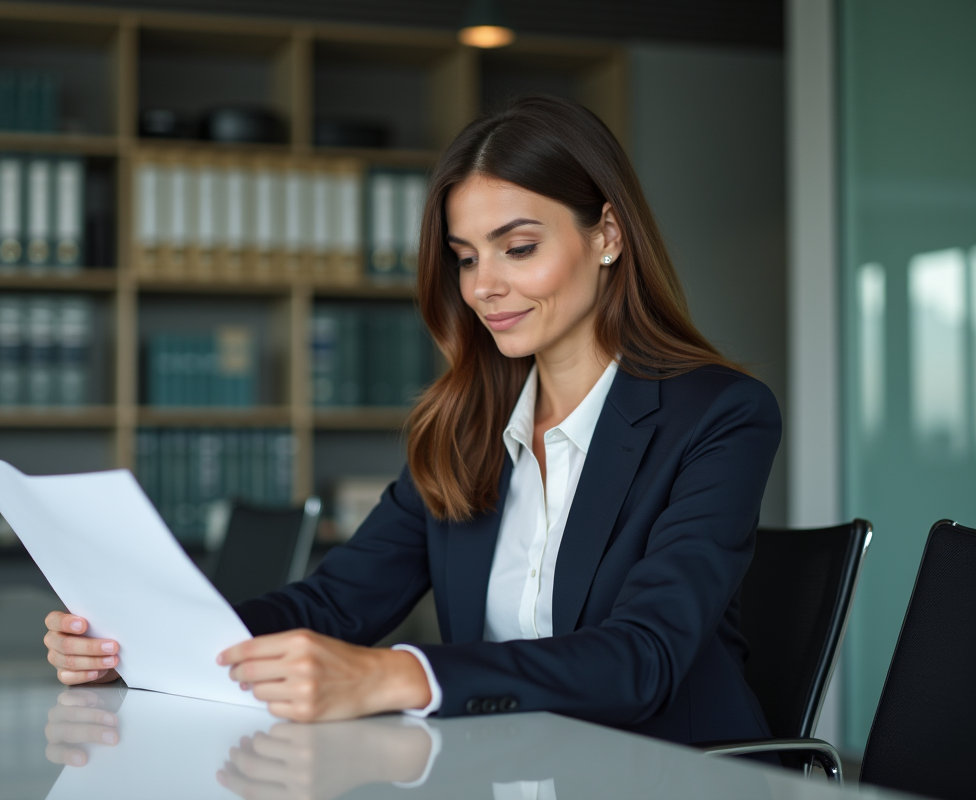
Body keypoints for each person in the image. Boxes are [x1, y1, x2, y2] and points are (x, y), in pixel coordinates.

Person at [42, 95, 780, 745]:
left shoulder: (717, 415)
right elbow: (333, 603)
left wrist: (401, 677)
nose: (485, 287)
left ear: (608, 235)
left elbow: (642, 658)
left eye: (518, 248)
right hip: (508, 771)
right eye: (465, 258)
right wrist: (139, 644)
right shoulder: (466, 430)